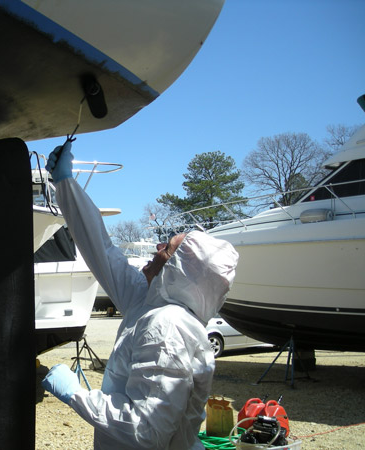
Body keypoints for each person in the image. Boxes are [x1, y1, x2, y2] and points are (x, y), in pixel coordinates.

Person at [41, 141, 239, 449]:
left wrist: (74, 393)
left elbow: (146, 430)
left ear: (180, 271)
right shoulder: (148, 302)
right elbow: (102, 250)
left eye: (168, 248)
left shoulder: (168, 327)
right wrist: (65, 183)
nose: (158, 248)